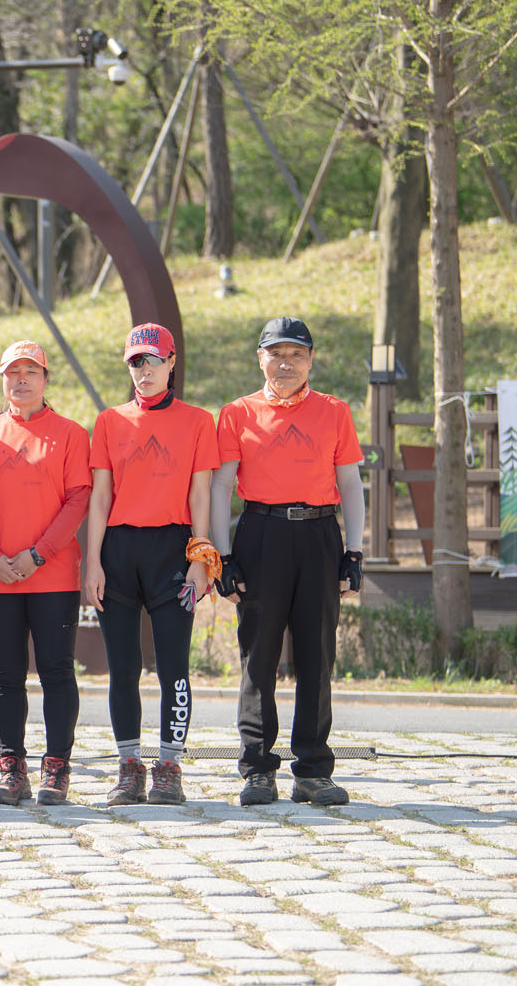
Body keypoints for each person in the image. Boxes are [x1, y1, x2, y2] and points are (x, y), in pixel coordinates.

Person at [211, 317, 365, 807]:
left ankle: (313, 770)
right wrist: (222, 557)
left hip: (320, 535)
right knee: (258, 655)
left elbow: (351, 484)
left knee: (317, 655)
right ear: (260, 359)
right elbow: (221, 485)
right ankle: (258, 769)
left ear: (311, 360)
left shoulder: (335, 411)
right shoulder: (236, 413)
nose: (286, 364)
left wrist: (354, 551)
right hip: (261, 533)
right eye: (276, 354)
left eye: (297, 354)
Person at [84, 324, 219, 807]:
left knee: (173, 668)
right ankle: (128, 767)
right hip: (119, 551)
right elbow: (100, 498)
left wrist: (201, 560)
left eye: (153, 361)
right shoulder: (108, 421)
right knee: (122, 669)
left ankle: (168, 767)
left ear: (171, 362)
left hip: (172, 552)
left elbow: (201, 495)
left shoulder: (198, 422)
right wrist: (92, 563)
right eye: (135, 362)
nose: (144, 371)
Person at [0, 340, 91, 805]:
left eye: (30, 372)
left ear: (45, 379)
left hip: (53, 576)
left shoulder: (70, 434)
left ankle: (56, 767)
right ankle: (11, 765)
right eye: (12, 372)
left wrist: (38, 555)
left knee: (56, 671)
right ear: (0, 379)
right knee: (5, 675)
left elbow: (77, 500)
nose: (21, 380)